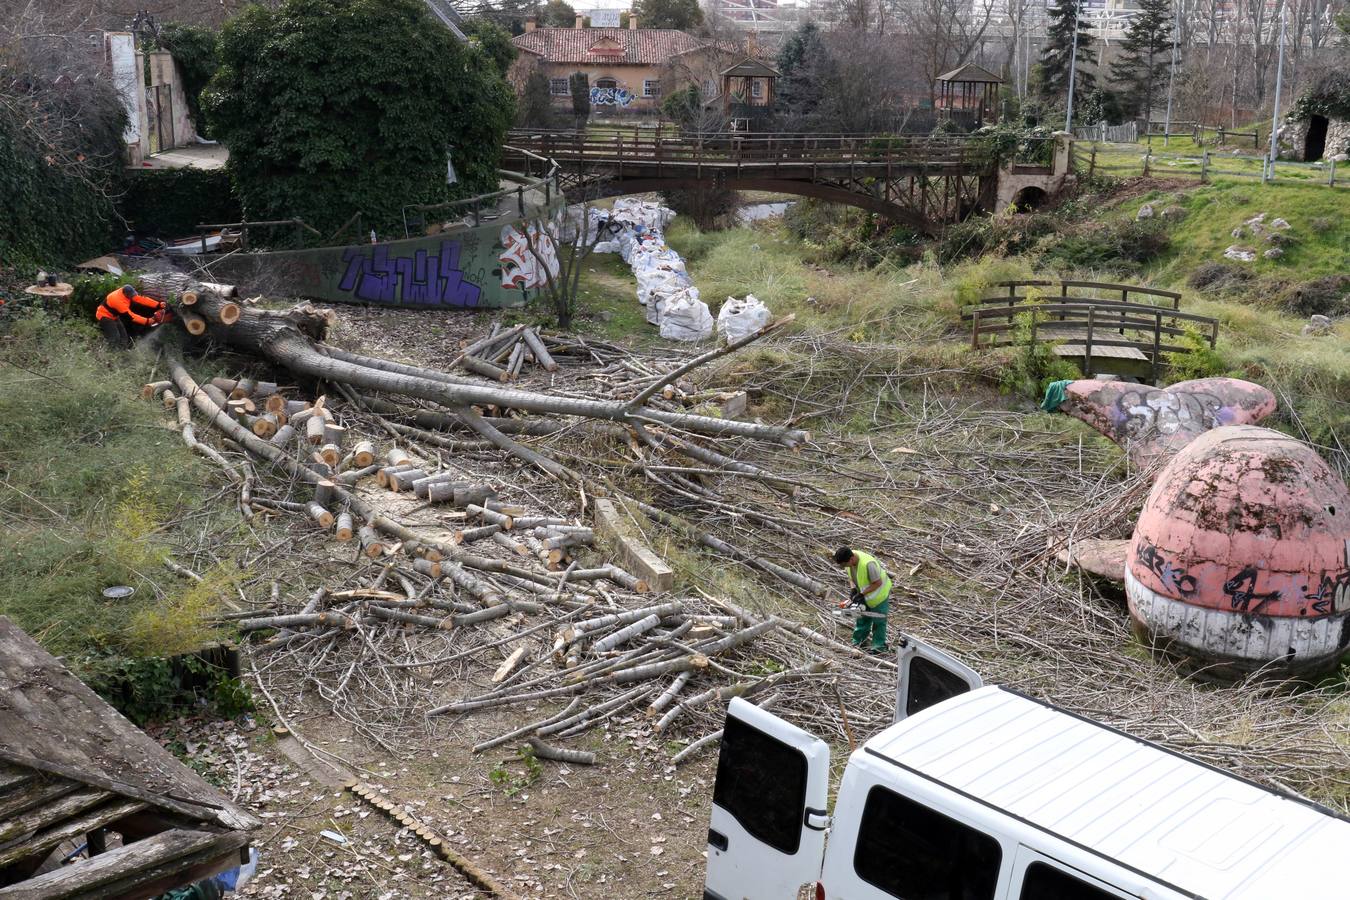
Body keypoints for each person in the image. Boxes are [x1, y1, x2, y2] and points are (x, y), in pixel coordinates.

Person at [833, 546, 892, 653]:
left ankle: (878, 647)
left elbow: (878, 583)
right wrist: (853, 589)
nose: (844, 567)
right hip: (865, 594)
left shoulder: (868, 564)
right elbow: (851, 576)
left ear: (851, 559)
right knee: (862, 618)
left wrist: (861, 594)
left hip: (879, 596)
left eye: (845, 565)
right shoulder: (849, 559)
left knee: (879, 621)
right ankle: (858, 641)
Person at [96, 284, 167, 348]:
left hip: (114, 316)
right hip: (104, 316)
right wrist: (147, 321)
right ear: (125, 294)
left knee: (124, 337)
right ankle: (111, 354)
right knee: (115, 338)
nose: (133, 296)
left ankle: (121, 353)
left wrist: (158, 304)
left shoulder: (126, 292)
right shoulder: (117, 301)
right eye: (131, 295)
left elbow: (141, 299)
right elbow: (131, 317)